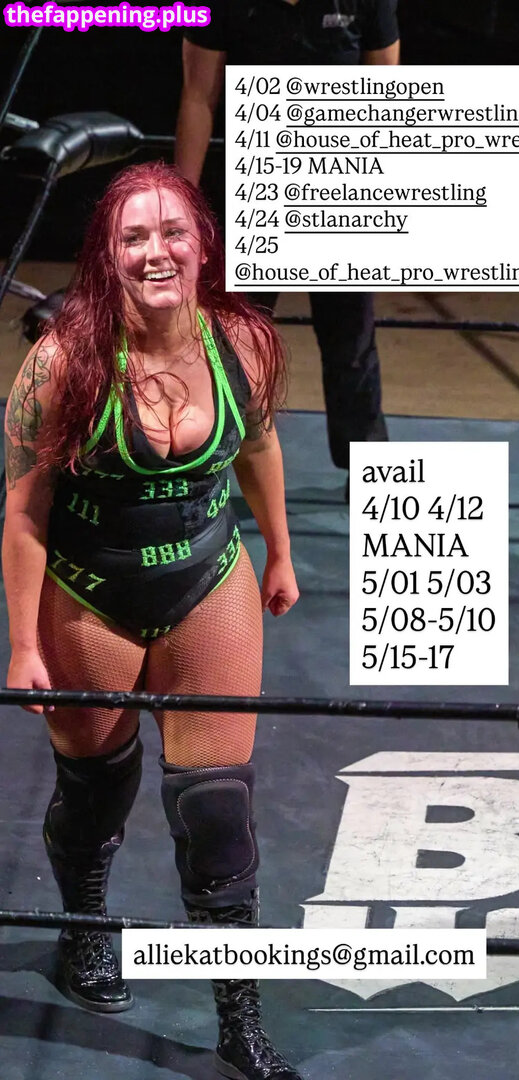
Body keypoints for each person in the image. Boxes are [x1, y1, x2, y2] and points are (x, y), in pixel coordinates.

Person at [3, 160, 303, 1080]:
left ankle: (239, 1021)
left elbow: (258, 443)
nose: (155, 251)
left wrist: (281, 551)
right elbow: (23, 511)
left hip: (206, 580)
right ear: (108, 253)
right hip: (89, 593)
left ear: (203, 243)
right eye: (133, 236)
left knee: (217, 810)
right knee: (94, 788)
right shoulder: (63, 362)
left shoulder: (243, 344)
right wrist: (23, 643)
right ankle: (85, 928)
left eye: (173, 231)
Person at [175, 0, 400, 498]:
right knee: (233, 336)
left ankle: (371, 470)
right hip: (257, 187)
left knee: (352, 340)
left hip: (344, 191)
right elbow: (198, 97)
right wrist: (179, 206)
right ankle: (203, 469)